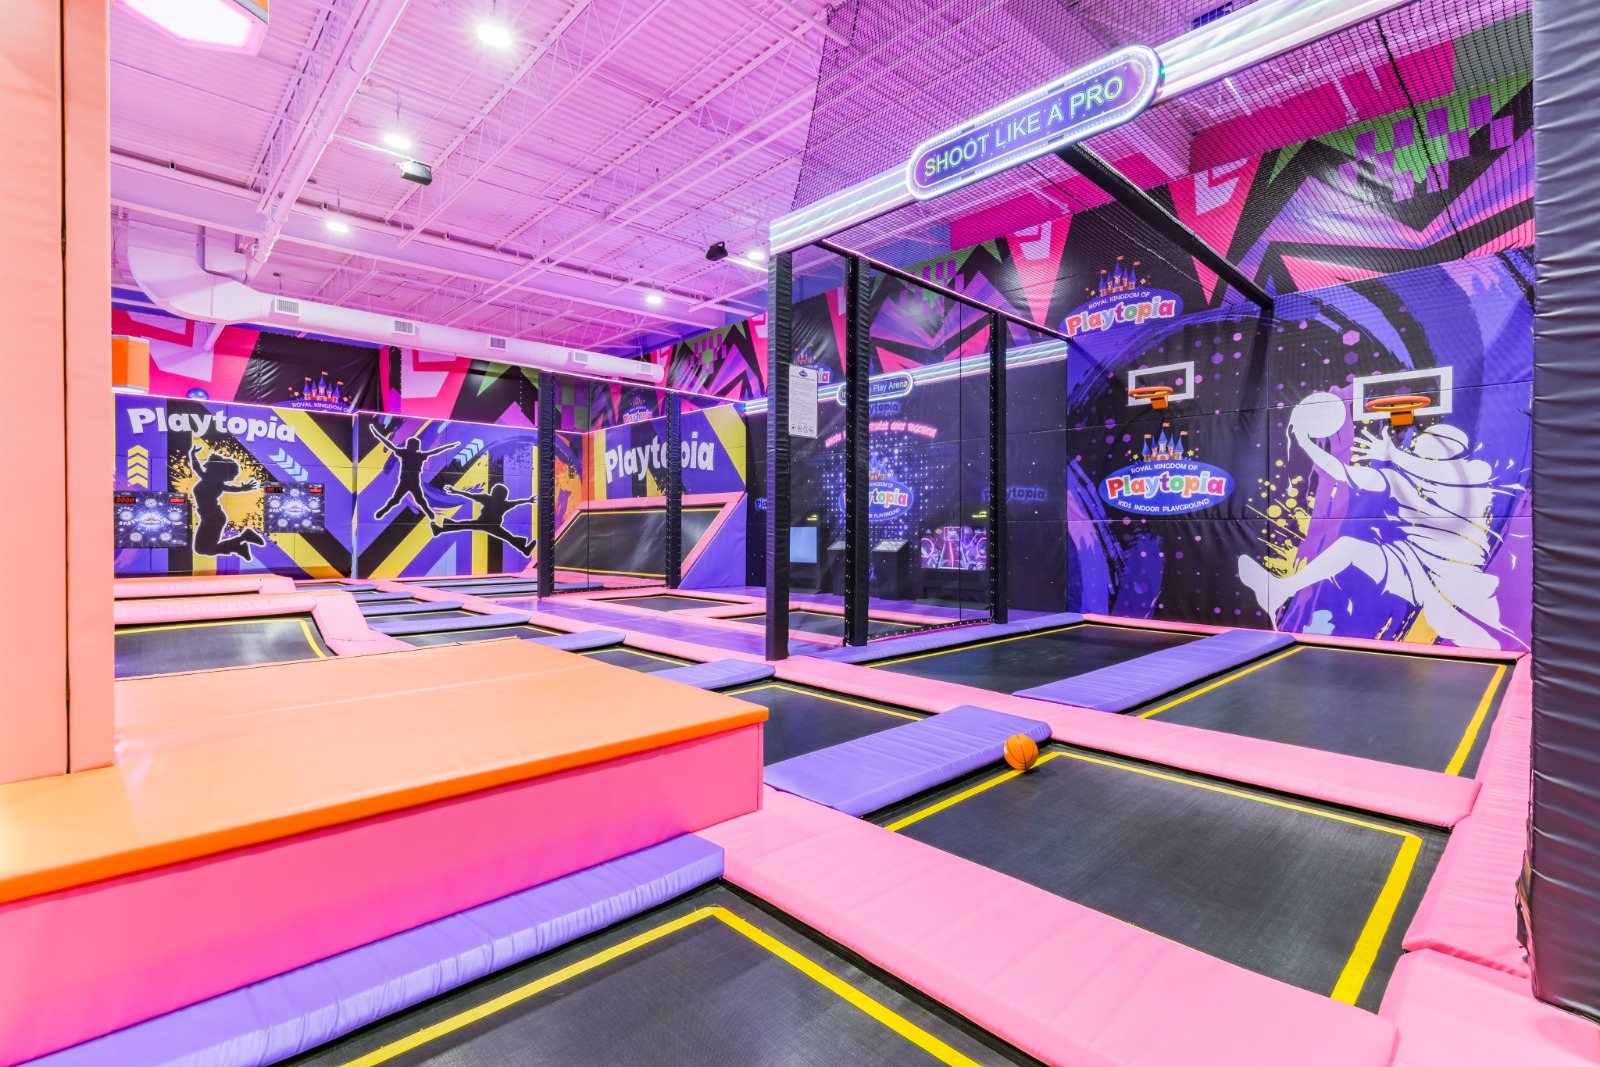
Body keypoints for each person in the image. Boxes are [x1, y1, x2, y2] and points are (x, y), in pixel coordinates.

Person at [1237, 391, 1518, 649]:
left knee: (1477, 636)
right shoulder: (1399, 477)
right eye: (1417, 442)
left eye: (1425, 443)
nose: (1417, 445)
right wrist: (1305, 442)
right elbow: (1338, 470)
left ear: (1447, 450)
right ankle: (1280, 590)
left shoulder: (1470, 477)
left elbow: (1443, 483)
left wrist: (1394, 454)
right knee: (1349, 548)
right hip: (1414, 561)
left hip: (1454, 572)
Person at [188, 444, 266, 561]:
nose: (206, 467)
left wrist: (243, 488)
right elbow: (196, 467)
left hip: (213, 518)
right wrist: (192, 454)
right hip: (209, 517)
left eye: (209, 467)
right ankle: (240, 543)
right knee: (202, 549)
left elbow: (230, 488)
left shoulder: (215, 483)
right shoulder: (207, 479)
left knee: (203, 549)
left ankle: (241, 542)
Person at [369, 425, 458, 520]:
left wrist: (376, 434)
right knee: (419, 500)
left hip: (404, 483)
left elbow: (389, 445)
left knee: (396, 500)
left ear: (408, 445)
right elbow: (436, 451)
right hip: (414, 483)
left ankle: (383, 511)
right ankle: (429, 512)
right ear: (417, 446)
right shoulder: (420, 455)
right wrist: (450, 446)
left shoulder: (404, 453)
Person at [431, 483, 538, 556]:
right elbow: (517, 502)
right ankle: (524, 549)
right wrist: (529, 500)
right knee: (508, 537)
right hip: (492, 526)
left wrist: (455, 491)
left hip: (483, 523)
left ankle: (441, 529)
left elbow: (470, 495)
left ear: (494, 492)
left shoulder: (489, 499)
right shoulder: (503, 503)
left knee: (463, 524)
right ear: (503, 496)